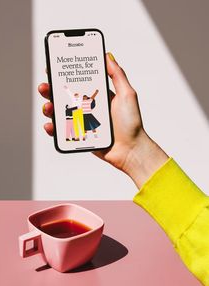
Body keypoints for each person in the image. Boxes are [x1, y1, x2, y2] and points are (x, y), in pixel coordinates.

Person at [39, 52, 209, 285]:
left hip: (85, 119)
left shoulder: (86, 99)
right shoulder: (82, 99)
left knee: (77, 128)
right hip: (85, 120)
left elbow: (92, 93)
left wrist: (135, 151)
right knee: (76, 128)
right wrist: (135, 150)